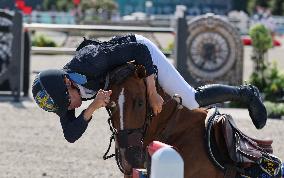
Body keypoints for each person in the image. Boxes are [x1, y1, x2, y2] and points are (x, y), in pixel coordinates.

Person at [32, 34, 267, 143]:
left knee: (191, 101)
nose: (70, 107)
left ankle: (246, 94)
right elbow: (71, 135)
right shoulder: (61, 95)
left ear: (67, 84)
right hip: (123, 70)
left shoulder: (91, 62)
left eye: (69, 101)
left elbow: (139, 52)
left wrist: (153, 92)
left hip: (141, 51)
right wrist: (92, 108)